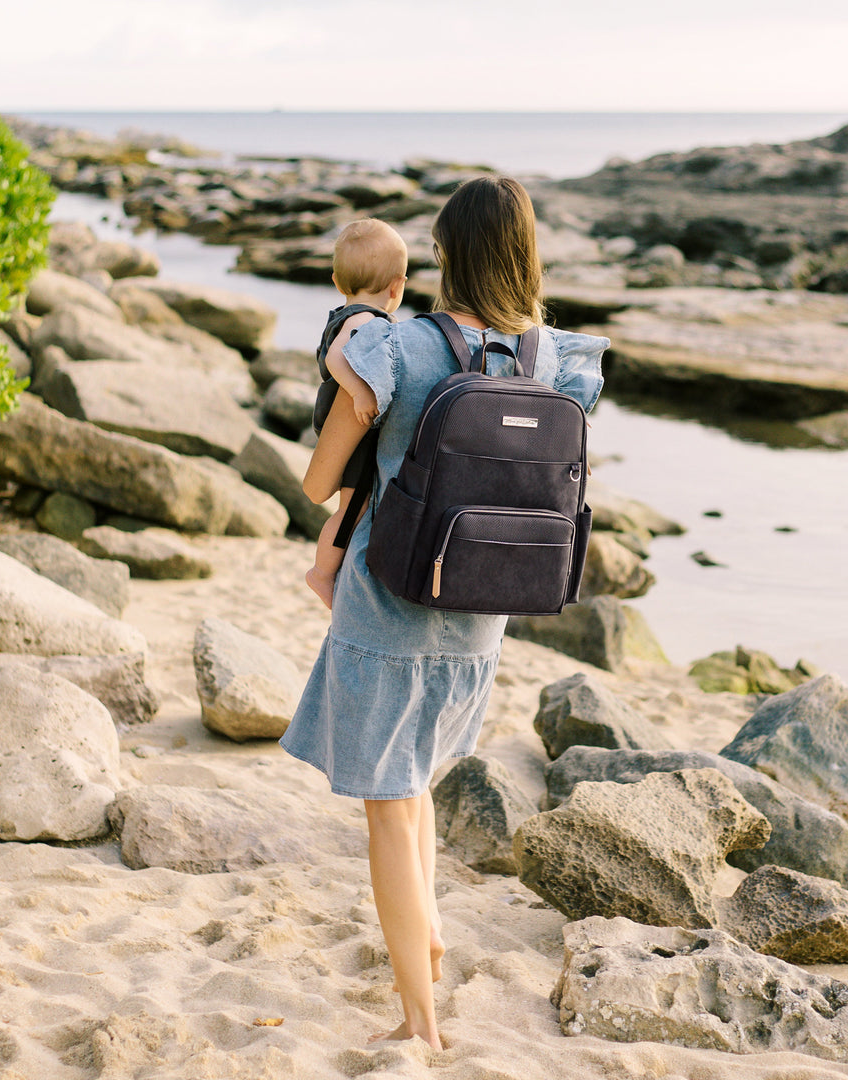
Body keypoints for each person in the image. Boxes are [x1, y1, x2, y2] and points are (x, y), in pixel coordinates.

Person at [281, 177, 608, 1050]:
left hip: (389, 606)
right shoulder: (556, 360)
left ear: (445, 256)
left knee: (389, 804)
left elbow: (319, 482)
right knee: (414, 781)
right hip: (482, 612)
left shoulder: (400, 349)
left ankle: (420, 1027)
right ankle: (425, 942)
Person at [305, 218, 408, 609]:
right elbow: (336, 359)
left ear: (336, 280)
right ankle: (322, 574)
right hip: (351, 424)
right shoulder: (366, 319)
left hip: (334, 417)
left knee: (353, 503)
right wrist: (361, 392)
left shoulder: (344, 313)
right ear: (397, 286)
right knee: (352, 507)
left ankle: (328, 570)